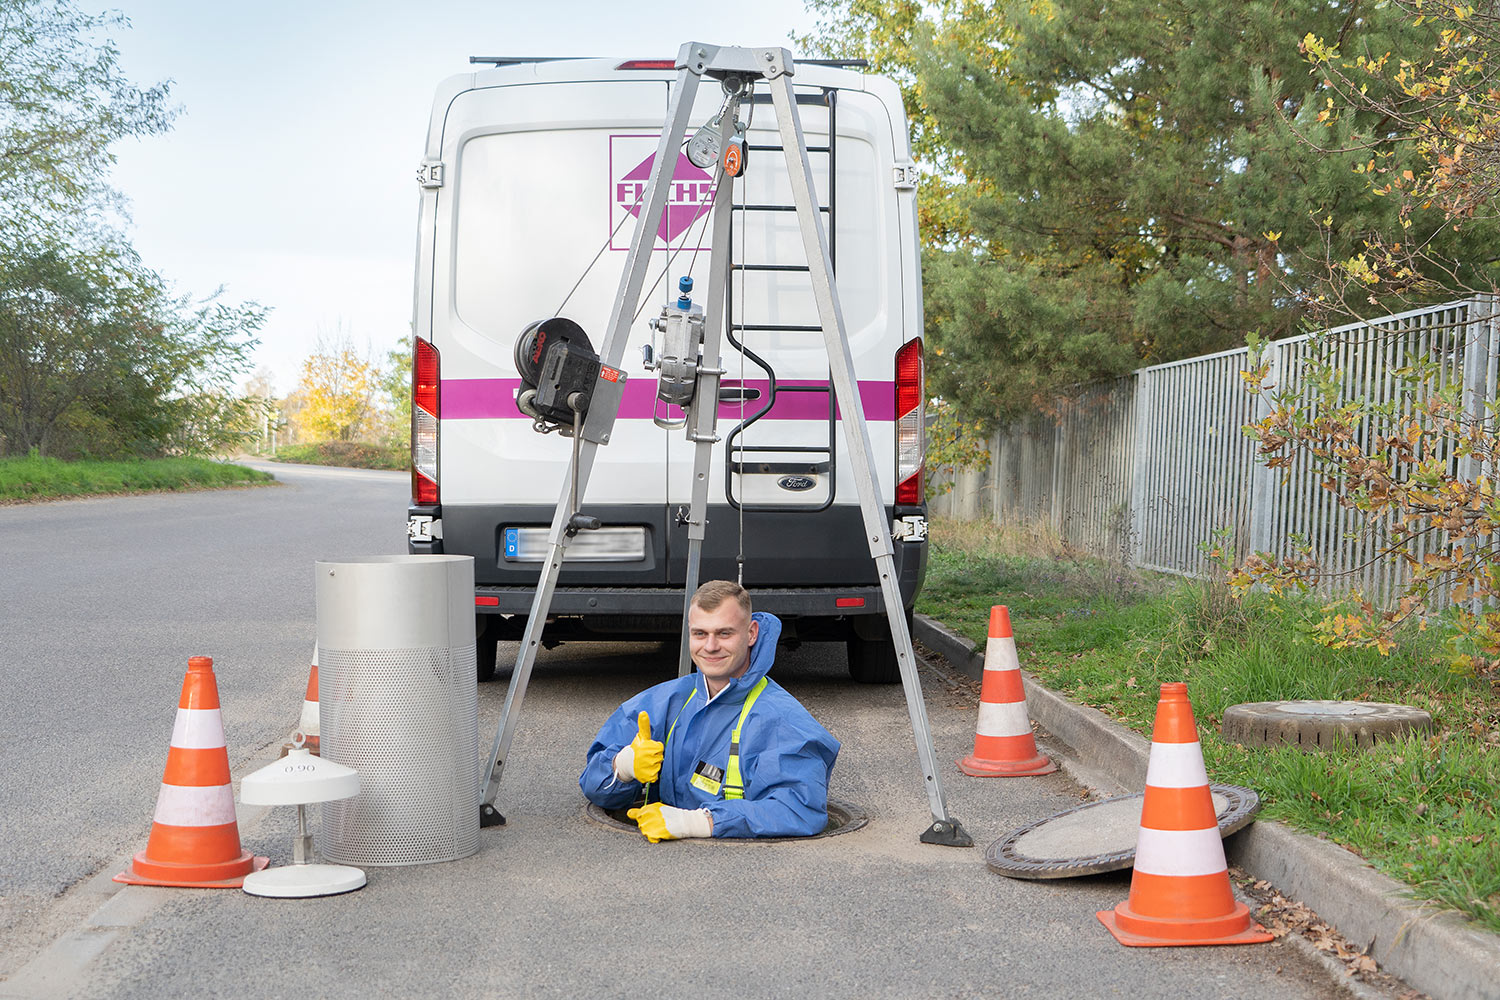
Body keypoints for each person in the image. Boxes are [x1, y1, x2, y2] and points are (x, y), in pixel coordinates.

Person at [579, 580, 840, 841]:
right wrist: (623, 767)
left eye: (724, 633)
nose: (711, 646)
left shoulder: (782, 720)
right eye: (700, 634)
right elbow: (592, 782)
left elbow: (800, 809)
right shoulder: (663, 702)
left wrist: (701, 822)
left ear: (751, 633)